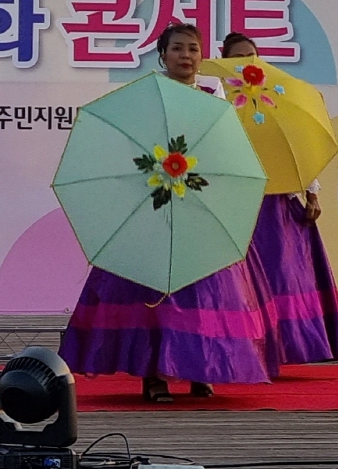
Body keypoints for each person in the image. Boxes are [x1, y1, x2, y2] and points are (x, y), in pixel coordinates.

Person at [59, 23, 270, 402]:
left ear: (202, 56)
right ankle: (153, 375)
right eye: (177, 49)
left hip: (200, 206)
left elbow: (227, 151)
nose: (185, 56)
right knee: (154, 295)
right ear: (162, 54)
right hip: (152, 206)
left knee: (204, 290)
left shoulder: (215, 100)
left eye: (192, 49)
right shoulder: (145, 97)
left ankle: (202, 368)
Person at [217, 31, 338, 368]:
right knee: (242, 280)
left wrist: (311, 190)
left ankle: (286, 348)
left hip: (278, 203)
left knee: (284, 274)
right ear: (224, 59)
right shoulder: (215, 97)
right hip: (238, 202)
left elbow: (294, 148)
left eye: (252, 55)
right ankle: (249, 348)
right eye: (238, 57)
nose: (247, 62)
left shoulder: (273, 95)